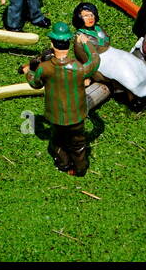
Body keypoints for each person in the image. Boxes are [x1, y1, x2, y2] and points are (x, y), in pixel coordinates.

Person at [20, 22, 100, 176]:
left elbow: (35, 84)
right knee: (78, 145)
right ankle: (80, 169)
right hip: (76, 116)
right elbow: (95, 61)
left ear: (52, 42)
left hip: (55, 116)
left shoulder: (44, 67)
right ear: (69, 44)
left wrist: (28, 71)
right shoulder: (78, 68)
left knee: (57, 142)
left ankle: (63, 164)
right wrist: (86, 43)